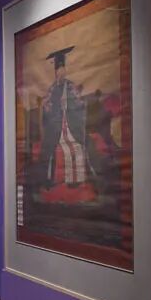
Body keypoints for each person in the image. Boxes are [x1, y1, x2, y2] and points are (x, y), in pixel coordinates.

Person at [39, 46, 96, 204]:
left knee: (76, 148)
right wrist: (47, 106)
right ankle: (51, 180)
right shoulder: (53, 88)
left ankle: (75, 180)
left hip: (70, 123)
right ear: (56, 72)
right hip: (57, 127)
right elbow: (48, 105)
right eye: (58, 71)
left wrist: (77, 105)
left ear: (65, 71)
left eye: (63, 70)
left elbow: (79, 101)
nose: (61, 73)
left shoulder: (70, 86)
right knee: (57, 149)